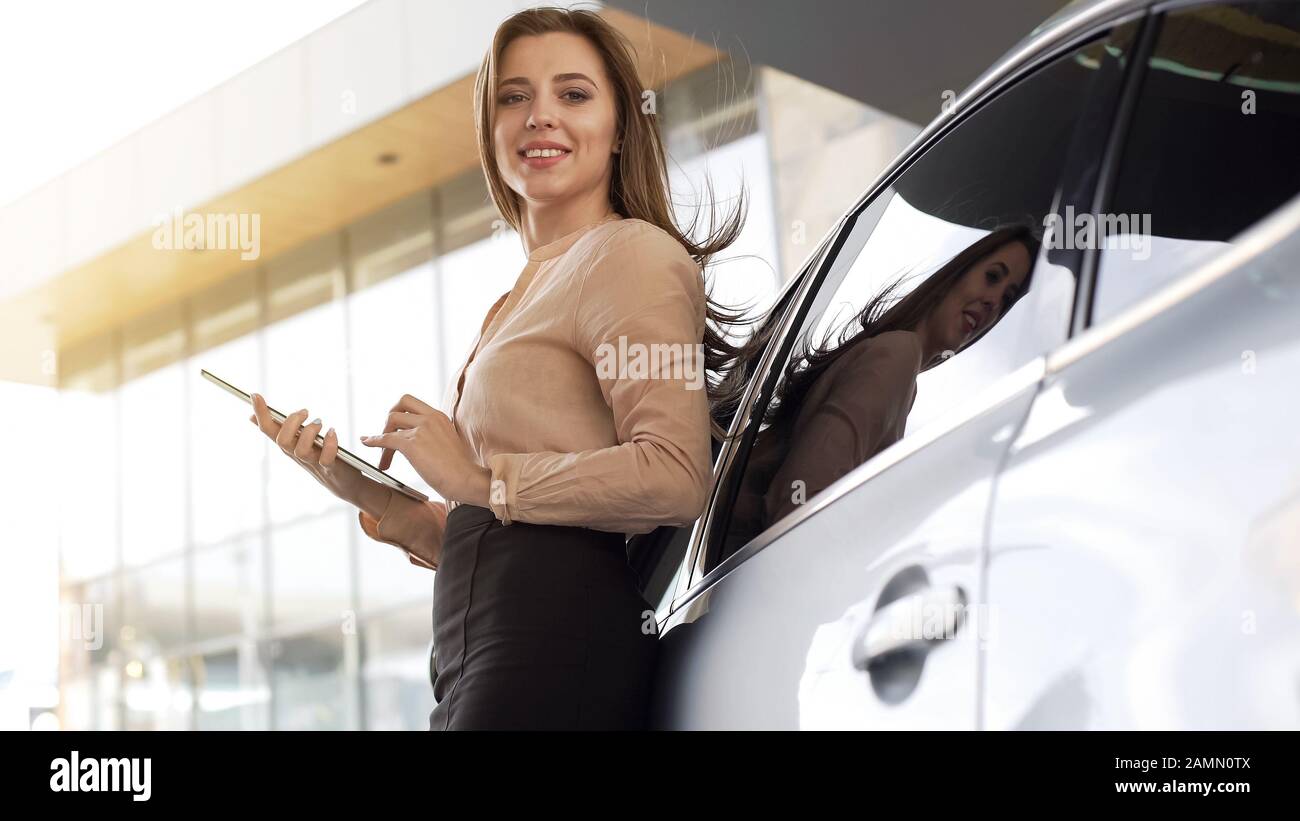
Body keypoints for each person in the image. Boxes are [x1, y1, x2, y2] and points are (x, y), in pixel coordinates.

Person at [248, 6, 748, 730]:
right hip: (479, 658)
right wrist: (384, 499)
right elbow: (507, 519)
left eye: (573, 95)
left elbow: (675, 477)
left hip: (548, 650)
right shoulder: (520, 295)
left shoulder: (632, 254)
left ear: (618, 131)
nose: (540, 116)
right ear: (491, 132)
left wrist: (479, 478)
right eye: (514, 97)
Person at [720, 224, 1039, 558]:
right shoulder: (897, 356)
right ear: (956, 274)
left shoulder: (903, 370)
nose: (992, 302)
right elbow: (801, 502)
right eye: (992, 277)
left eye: (1006, 300)